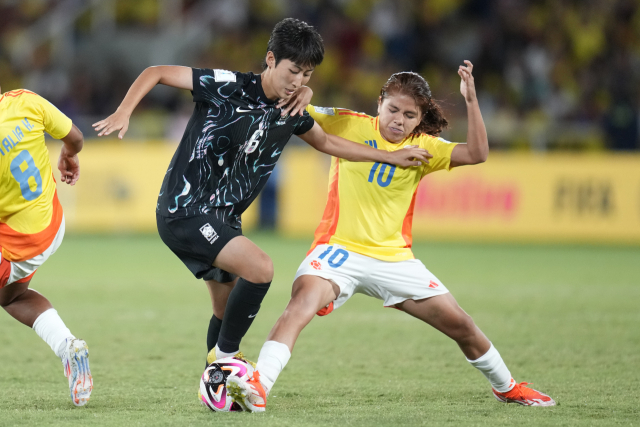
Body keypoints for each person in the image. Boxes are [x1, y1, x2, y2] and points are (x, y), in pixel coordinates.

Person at [93, 18, 429, 370]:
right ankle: (226, 361)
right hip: (185, 208)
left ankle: (215, 381)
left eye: (307, 76)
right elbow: (157, 71)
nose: (298, 82)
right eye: (293, 71)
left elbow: (327, 142)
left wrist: (389, 156)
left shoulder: (292, 110)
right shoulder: (227, 85)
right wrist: (124, 110)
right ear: (270, 60)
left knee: (225, 309)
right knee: (260, 268)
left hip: (223, 219)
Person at [226, 61, 556, 412]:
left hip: (395, 259)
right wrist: (304, 90)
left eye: (409, 115)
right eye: (393, 109)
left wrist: (472, 101)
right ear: (379, 102)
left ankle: (507, 387)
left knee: (461, 324)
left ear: (420, 118)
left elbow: (477, 153)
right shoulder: (348, 122)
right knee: (300, 305)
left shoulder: (425, 147)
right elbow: (290, 103)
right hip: (339, 250)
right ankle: (258, 384)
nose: (399, 120)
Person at [0, 86, 93, 406]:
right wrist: (68, 154)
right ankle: (69, 347)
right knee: (11, 298)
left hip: (18, 244)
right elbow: (77, 138)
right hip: (51, 221)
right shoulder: (24, 99)